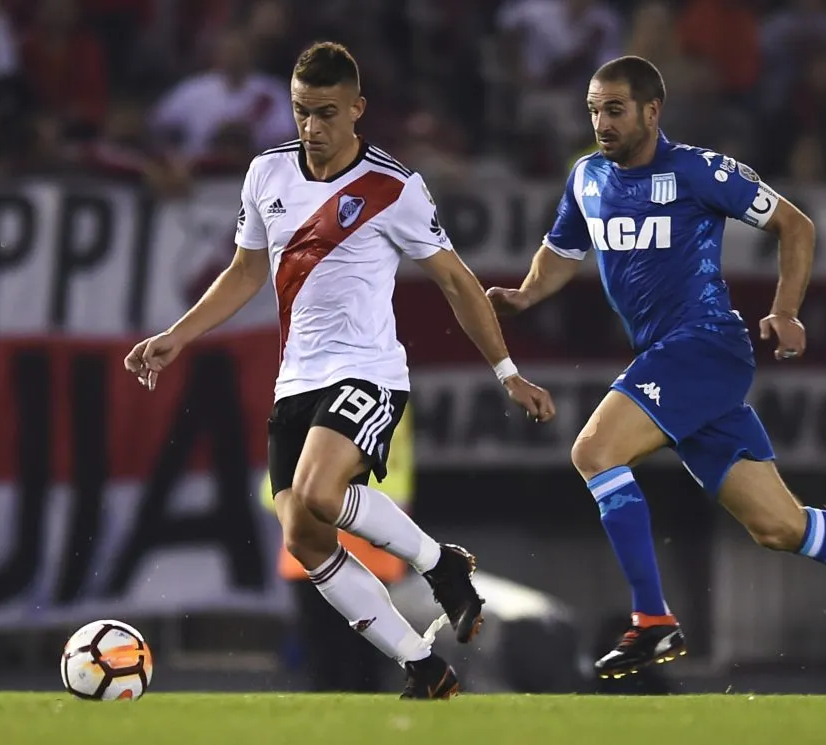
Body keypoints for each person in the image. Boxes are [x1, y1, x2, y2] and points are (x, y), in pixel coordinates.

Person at [487, 55, 826, 679]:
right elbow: (561, 251)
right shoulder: (586, 176)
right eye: (593, 109)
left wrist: (786, 309)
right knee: (780, 526)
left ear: (651, 110)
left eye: (614, 110)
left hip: (705, 346)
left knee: (595, 452)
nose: (601, 122)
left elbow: (794, 225)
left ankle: (652, 621)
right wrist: (526, 295)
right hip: (671, 361)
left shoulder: (699, 170)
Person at [124, 41, 556, 700]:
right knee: (302, 531)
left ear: (357, 108)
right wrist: (178, 335)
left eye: (326, 113)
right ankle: (423, 664)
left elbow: (458, 282)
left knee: (321, 494)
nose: (312, 128)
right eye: (301, 112)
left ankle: (443, 564)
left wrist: (506, 371)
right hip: (295, 380)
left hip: (368, 371)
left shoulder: (394, 187)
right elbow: (246, 270)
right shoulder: (266, 174)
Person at [260, 407, 416, 692]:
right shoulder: (389, 396)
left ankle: (328, 728)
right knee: (363, 659)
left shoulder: (304, 394)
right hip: (370, 546)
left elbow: (273, 491)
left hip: (321, 544)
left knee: (327, 656)